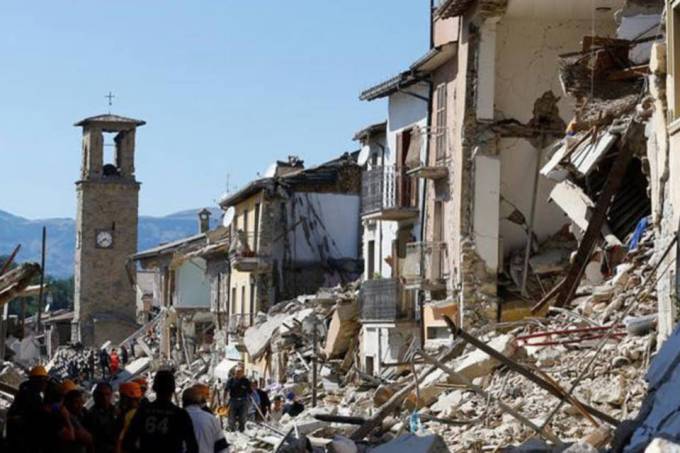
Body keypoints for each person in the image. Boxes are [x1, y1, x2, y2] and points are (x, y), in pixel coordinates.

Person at [122, 370, 198, 453]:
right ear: (172, 390)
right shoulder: (180, 414)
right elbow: (193, 448)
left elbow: (127, 443)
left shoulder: (143, 411)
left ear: (154, 388)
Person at [6, 365, 49, 452]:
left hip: (14, 431)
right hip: (22, 435)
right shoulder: (32, 396)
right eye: (44, 380)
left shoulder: (25, 390)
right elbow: (38, 413)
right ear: (37, 381)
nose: (45, 384)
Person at [182, 387, 229, 453]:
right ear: (199, 401)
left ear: (183, 401)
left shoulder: (174, 419)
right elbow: (221, 446)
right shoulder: (210, 418)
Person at [83, 382, 118, 453]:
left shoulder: (116, 411)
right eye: (101, 395)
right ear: (95, 396)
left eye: (107, 394)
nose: (105, 398)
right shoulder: (90, 415)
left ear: (111, 395)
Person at [63, 388, 94, 453]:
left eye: (81, 402)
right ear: (67, 402)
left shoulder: (82, 414)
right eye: (76, 402)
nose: (80, 405)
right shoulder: (65, 417)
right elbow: (87, 438)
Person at [116, 381, 142, 453]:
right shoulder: (142, 411)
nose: (120, 400)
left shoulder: (129, 415)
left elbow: (119, 439)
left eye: (122, 396)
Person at [224, 366, 251, 432]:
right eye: (237, 372)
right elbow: (226, 390)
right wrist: (224, 400)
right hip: (233, 401)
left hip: (243, 401)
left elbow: (250, 391)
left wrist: (248, 400)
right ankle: (232, 430)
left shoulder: (246, 381)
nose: (239, 373)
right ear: (235, 372)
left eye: (241, 372)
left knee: (243, 417)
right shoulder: (231, 380)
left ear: (243, 373)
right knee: (231, 417)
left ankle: (241, 430)